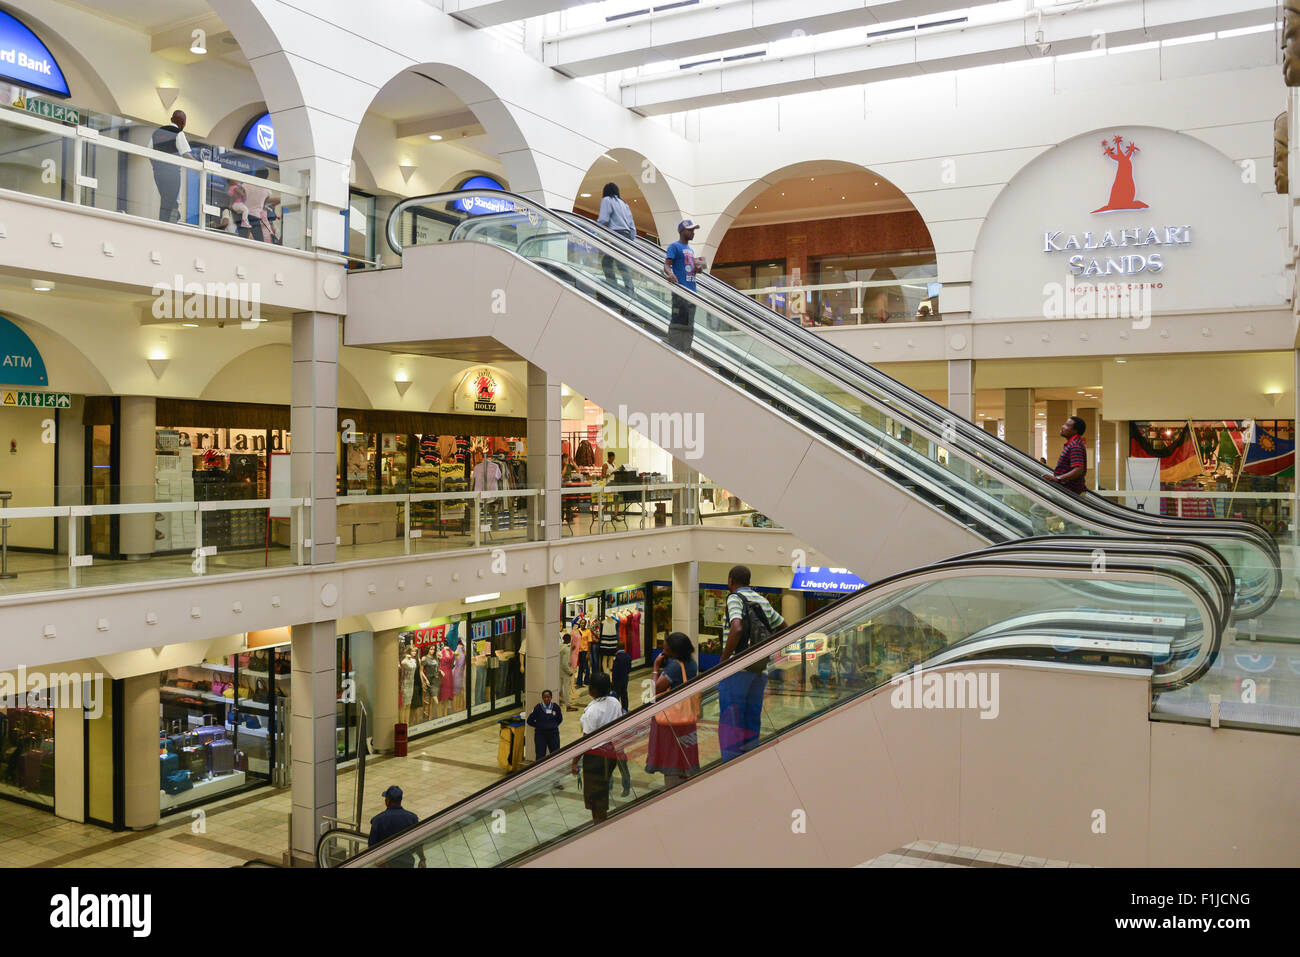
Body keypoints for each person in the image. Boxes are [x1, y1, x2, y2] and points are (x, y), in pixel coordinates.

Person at [718, 564, 784, 763]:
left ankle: (730, 763)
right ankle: (751, 758)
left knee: (731, 717)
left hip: (737, 669)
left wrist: (724, 661)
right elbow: (784, 626)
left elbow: (736, 628)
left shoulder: (734, 598)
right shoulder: (762, 600)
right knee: (752, 715)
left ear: (731, 581)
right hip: (760, 668)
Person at [645, 632, 699, 789]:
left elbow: (653, 691)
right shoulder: (692, 663)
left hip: (670, 719)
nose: (664, 652)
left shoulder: (675, 667)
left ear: (675, 651)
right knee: (683, 756)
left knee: (671, 758)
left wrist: (655, 668)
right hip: (686, 716)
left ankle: (673, 792)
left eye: (666, 649)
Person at [570, 674, 626, 821]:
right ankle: (600, 819)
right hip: (610, 752)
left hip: (596, 757)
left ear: (592, 690)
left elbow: (586, 740)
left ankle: (599, 823)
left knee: (594, 794)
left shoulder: (592, 712)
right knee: (602, 790)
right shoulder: (614, 702)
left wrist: (575, 760)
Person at [151, 109, 195, 223]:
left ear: (171, 119)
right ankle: (165, 224)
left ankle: (173, 218)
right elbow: (185, 154)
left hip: (158, 173)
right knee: (169, 200)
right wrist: (198, 166)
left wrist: (155, 166)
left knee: (166, 199)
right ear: (184, 123)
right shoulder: (178, 133)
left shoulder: (156, 132)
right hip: (172, 173)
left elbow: (149, 153)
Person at [663, 219, 700, 353]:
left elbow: (689, 268)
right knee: (678, 324)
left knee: (689, 326)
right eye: (690, 230)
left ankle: (686, 350)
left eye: (693, 230)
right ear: (682, 231)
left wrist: (698, 269)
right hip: (681, 292)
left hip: (692, 293)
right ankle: (674, 350)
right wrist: (670, 274)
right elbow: (667, 264)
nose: (692, 233)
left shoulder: (690, 249)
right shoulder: (675, 246)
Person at [367, 785, 425, 867]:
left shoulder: (377, 820)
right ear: (400, 800)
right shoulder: (412, 818)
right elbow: (418, 843)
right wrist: (422, 859)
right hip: (407, 863)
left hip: (386, 864)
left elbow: (371, 847)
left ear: (388, 801)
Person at [596, 182, 637, 299]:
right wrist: (631, 241)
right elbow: (632, 225)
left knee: (616, 263)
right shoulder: (624, 204)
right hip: (627, 235)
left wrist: (595, 232)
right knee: (609, 261)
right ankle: (623, 288)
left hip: (616, 234)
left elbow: (603, 219)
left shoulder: (607, 200)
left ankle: (621, 289)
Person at [1044, 416, 1088, 494]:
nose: (1063, 427)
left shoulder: (1075, 445)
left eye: (1067, 425)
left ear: (1075, 431)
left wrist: (1058, 478)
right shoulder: (1073, 444)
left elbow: (1078, 469)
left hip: (1068, 490)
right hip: (1067, 489)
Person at [526, 689, 563, 766]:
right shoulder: (538, 708)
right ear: (542, 698)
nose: (547, 699)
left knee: (555, 753)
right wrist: (539, 726)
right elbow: (529, 721)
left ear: (551, 697)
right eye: (545, 697)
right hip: (541, 735)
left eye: (548, 697)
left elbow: (560, 719)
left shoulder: (555, 707)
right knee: (540, 755)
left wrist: (553, 725)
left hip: (553, 734)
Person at [610, 641, 632, 712]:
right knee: (624, 693)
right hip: (625, 678)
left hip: (617, 680)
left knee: (616, 695)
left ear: (617, 648)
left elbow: (615, 670)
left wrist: (613, 679)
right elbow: (629, 668)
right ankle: (625, 709)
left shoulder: (617, 657)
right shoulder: (628, 656)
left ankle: (616, 710)